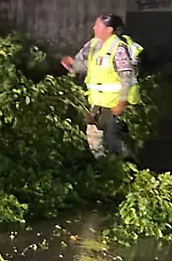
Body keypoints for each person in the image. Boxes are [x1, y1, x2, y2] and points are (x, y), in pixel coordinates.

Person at [61, 13, 144, 158]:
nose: (94, 28)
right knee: (94, 136)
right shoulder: (93, 45)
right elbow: (84, 65)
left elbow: (126, 77)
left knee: (110, 139)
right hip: (97, 102)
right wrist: (72, 65)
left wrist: (121, 102)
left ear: (109, 29)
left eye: (98, 25)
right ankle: (104, 163)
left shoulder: (118, 48)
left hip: (112, 102)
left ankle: (127, 161)